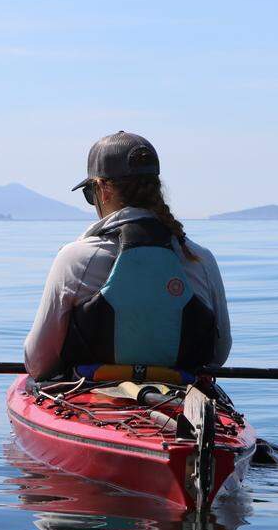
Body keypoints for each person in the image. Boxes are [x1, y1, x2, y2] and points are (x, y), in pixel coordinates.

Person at [23, 131, 231, 380]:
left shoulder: (75, 259)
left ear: (103, 189)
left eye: (90, 194)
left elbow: (38, 362)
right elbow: (218, 354)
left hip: (92, 399)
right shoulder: (200, 258)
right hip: (182, 396)